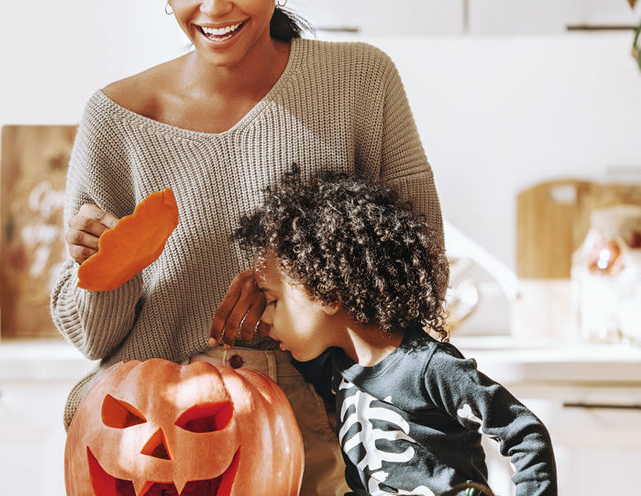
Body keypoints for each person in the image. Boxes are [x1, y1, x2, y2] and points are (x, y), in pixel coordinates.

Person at [50, 0, 445, 495]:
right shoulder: (116, 119)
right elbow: (92, 338)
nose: (214, 7)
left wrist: (301, 298)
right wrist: (108, 269)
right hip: (149, 435)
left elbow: (419, 271)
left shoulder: (360, 81)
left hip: (317, 432)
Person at [235, 169, 556, 496]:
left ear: (327, 292)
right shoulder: (335, 370)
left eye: (274, 300)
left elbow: (525, 434)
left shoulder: (430, 367)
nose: (267, 317)